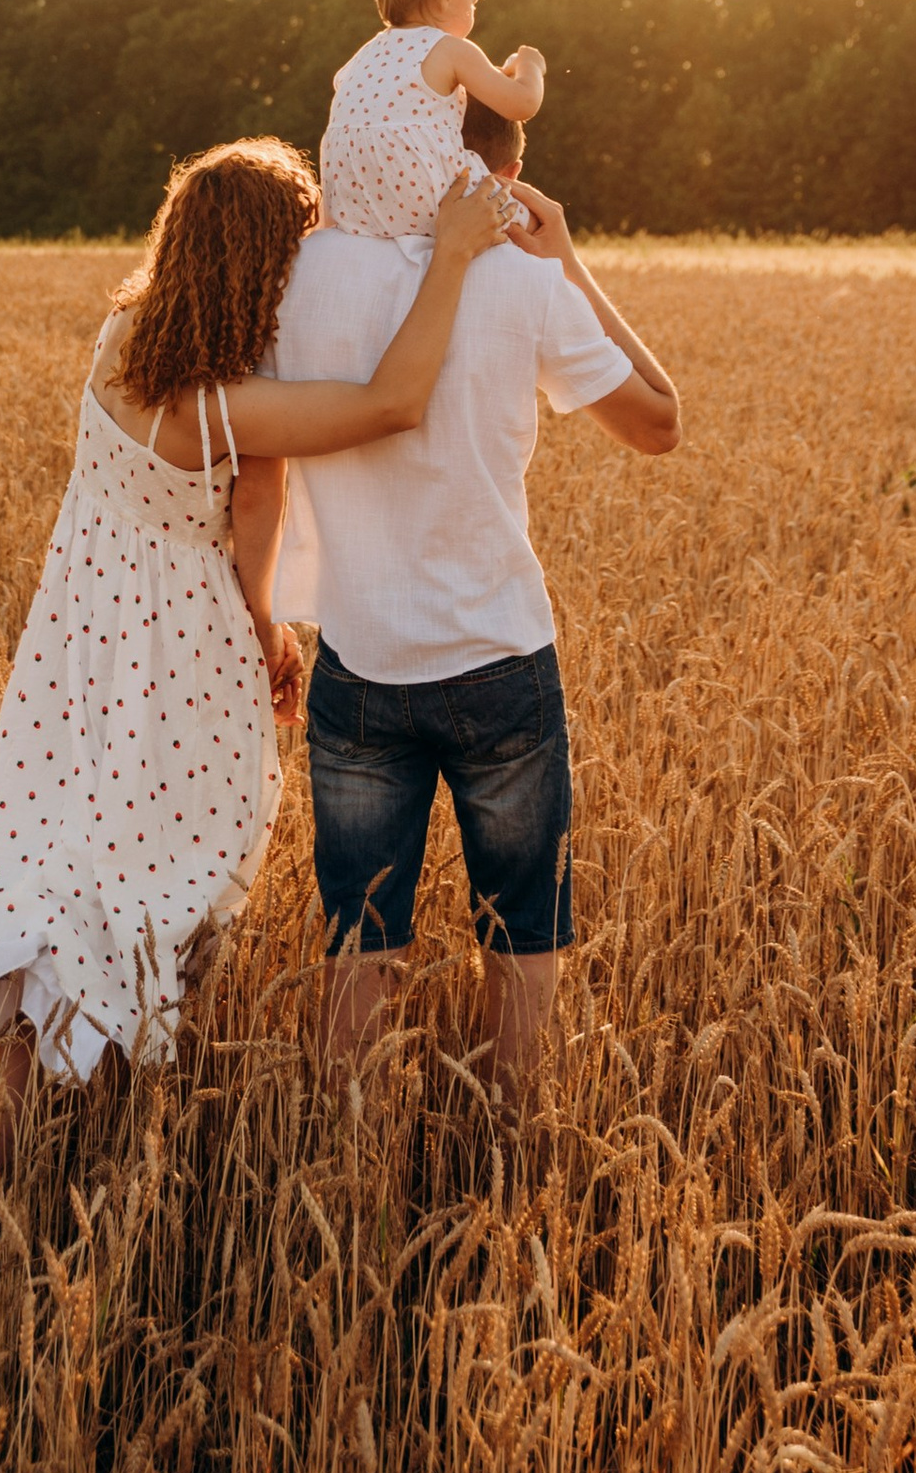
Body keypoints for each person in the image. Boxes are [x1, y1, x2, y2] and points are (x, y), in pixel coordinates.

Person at [0, 138, 511, 1145]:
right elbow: (390, 403)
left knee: (63, 863)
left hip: (75, 645)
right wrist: (456, 254)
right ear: (265, 266)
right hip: (178, 660)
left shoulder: (118, 336)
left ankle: (12, 1137)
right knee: (155, 880)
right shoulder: (228, 408)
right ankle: (111, 1123)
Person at [262, 157, 681, 1090]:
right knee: (523, 932)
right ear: (506, 170)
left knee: (356, 940)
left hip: (360, 662)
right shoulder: (521, 277)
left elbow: (251, 464)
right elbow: (659, 423)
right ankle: (510, 1157)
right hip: (501, 661)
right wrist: (567, 260)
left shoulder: (301, 273)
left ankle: (343, 1176)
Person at [319, 0, 547, 243]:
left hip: (353, 208)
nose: (474, 8)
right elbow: (523, 104)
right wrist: (531, 65)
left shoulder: (360, 59)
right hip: (427, 203)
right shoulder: (450, 49)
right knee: (534, 218)